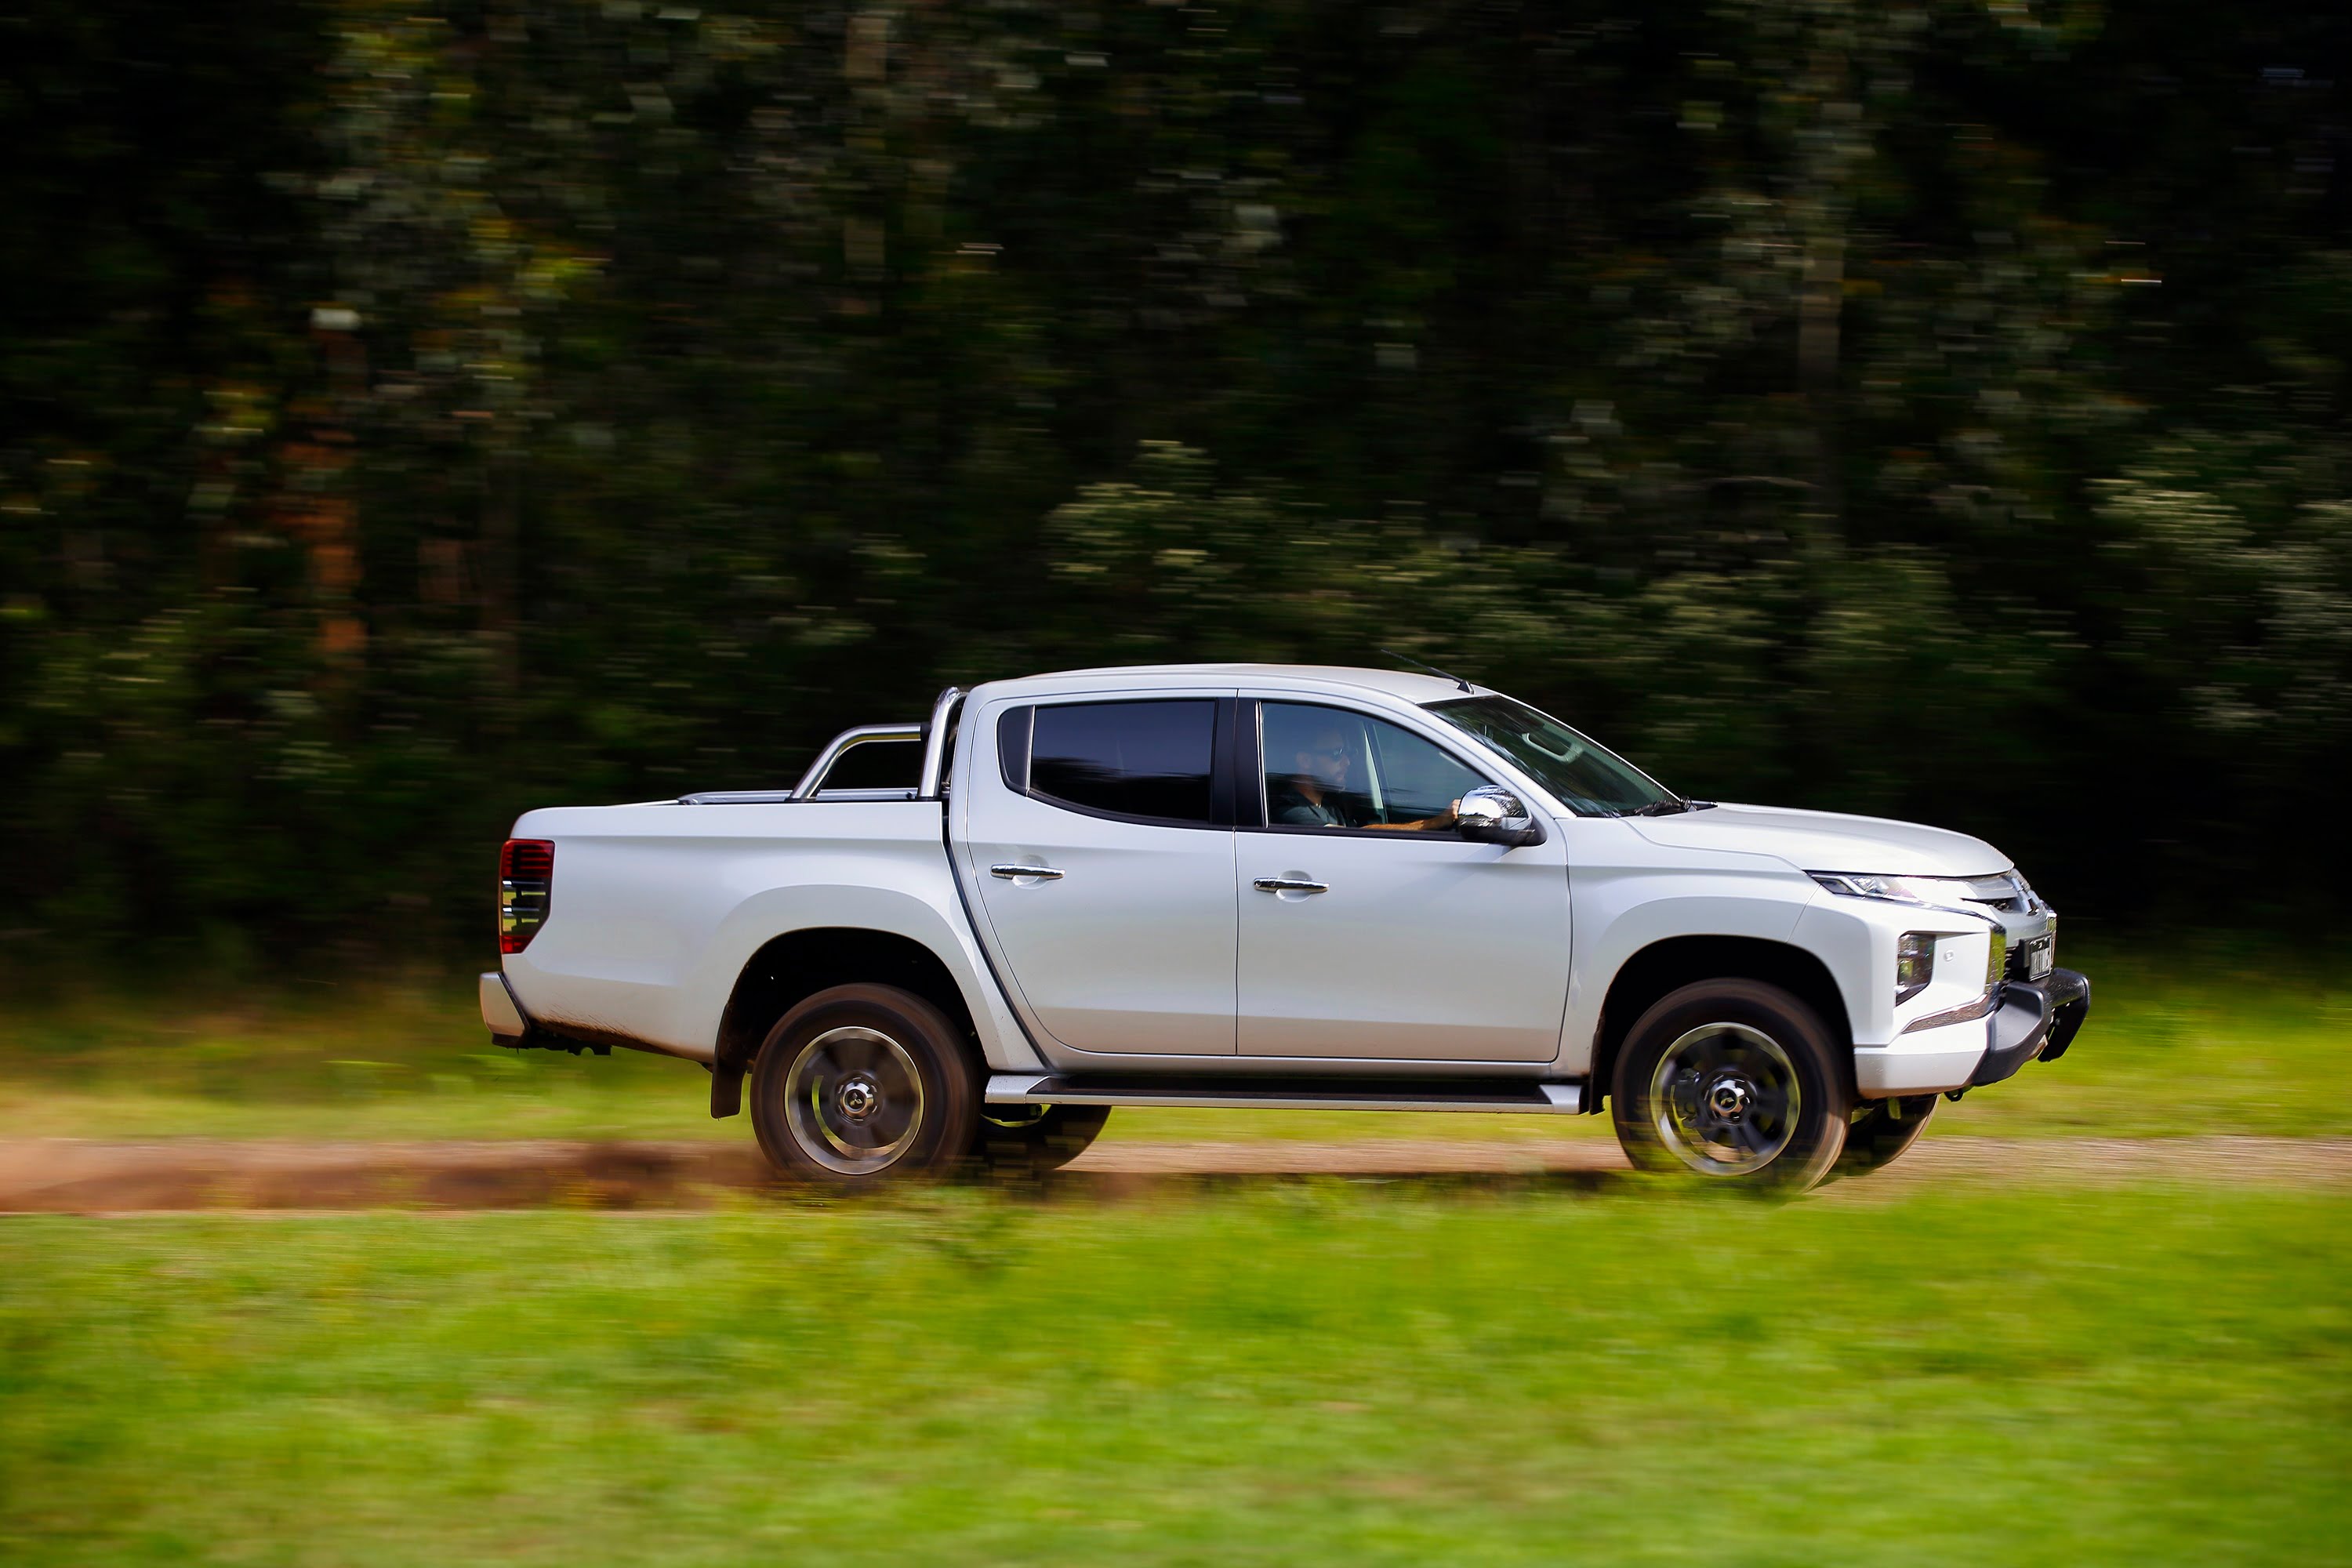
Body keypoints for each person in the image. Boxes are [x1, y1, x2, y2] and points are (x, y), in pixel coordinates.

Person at [1272, 722, 1460, 831]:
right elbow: (1357, 838)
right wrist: (1433, 823)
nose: (1347, 762)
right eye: (1337, 753)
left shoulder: (1329, 808)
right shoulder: (1290, 812)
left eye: (1347, 752)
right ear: (1305, 760)